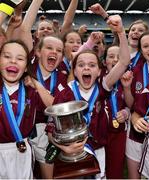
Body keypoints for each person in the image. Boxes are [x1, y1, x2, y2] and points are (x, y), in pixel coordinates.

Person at [46, 14, 130, 178]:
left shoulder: (103, 87)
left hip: (98, 150)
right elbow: (50, 128)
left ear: (99, 71)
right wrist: (61, 146)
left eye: (92, 65)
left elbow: (124, 61)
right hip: (69, 153)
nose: (86, 69)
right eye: (81, 65)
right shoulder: (66, 93)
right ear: (75, 70)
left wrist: (121, 32)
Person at [0, 39, 54, 179]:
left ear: (25, 67)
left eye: (20, 58)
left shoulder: (31, 92)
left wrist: (36, 83)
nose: (13, 61)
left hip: (23, 152)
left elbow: (54, 108)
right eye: (7, 56)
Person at [122, 30, 149, 179]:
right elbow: (132, 105)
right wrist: (127, 87)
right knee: (135, 177)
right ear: (141, 50)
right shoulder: (134, 72)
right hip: (136, 134)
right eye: (145, 46)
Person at [29, 35, 68, 179]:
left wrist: (36, 84)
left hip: (46, 133)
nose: (54, 52)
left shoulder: (63, 78)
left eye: (59, 50)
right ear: (38, 52)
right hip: (20, 132)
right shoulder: (26, 69)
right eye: (49, 48)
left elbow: (55, 107)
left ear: (62, 57)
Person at [103, 44, 130, 179]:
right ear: (104, 61)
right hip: (100, 132)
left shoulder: (128, 79)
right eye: (111, 56)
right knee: (99, 169)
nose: (115, 60)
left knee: (115, 169)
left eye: (119, 57)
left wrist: (126, 112)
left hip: (119, 133)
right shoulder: (97, 79)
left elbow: (133, 105)